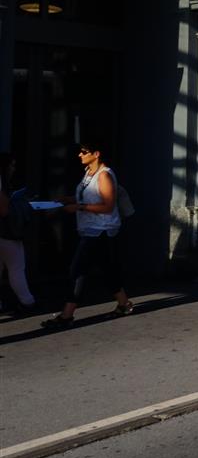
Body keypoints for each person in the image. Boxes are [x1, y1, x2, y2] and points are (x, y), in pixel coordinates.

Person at [41, 140, 134, 329]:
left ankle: (67, 315)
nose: (80, 155)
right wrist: (68, 199)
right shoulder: (88, 173)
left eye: (84, 152)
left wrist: (79, 207)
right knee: (107, 268)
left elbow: (108, 206)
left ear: (96, 154)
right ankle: (124, 304)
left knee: (77, 271)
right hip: (90, 229)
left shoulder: (104, 175)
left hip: (100, 230)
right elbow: (88, 196)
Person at [0, 153, 38, 315]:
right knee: (16, 268)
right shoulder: (1, 183)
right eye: (12, 165)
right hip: (6, 233)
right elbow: (3, 210)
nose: (13, 169)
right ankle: (27, 302)